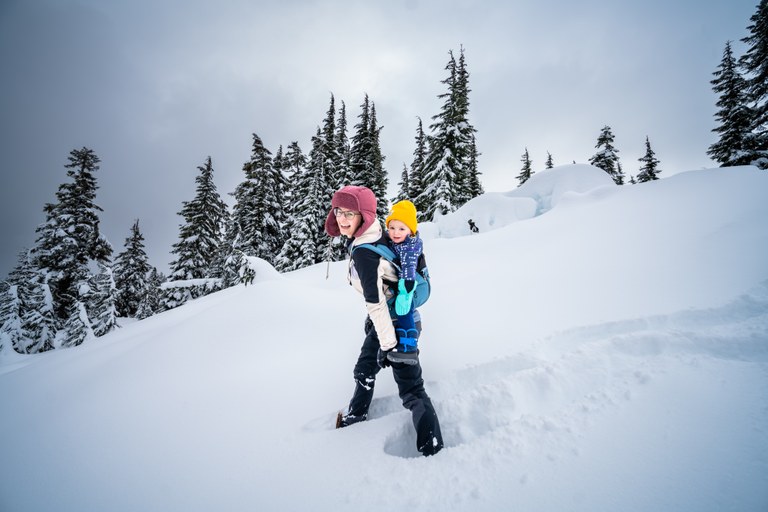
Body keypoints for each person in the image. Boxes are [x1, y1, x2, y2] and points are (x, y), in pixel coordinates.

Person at [325, 185, 444, 456]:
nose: (342, 219)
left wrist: (390, 346)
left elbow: (376, 302)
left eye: (350, 213)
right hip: (391, 319)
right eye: (338, 211)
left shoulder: (365, 252)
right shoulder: (375, 232)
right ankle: (355, 417)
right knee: (365, 368)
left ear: (363, 216)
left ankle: (433, 448)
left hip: (399, 325)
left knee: (412, 390)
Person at [385, 200, 423, 364]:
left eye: (402, 229)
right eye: (392, 228)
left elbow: (408, 268)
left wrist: (405, 292)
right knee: (402, 313)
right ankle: (406, 344)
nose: (396, 232)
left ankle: (409, 348)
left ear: (411, 230)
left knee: (403, 312)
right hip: (402, 284)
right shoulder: (398, 242)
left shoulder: (408, 247)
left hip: (406, 285)